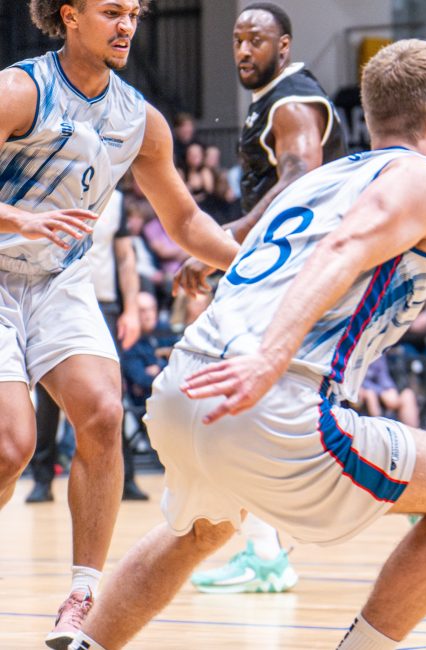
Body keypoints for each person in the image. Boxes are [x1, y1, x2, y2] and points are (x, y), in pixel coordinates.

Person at [66, 39, 426, 650]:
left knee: (200, 529)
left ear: (370, 115)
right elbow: (344, 248)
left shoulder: (323, 179)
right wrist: (271, 357)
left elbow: (307, 245)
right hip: (271, 395)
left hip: (184, 386)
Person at [0, 1, 243, 646]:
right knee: (10, 446)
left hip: (59, 281)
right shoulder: (19, 90)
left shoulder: (139, 118)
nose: (127, 24)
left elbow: (187, 223)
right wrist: (19, 219)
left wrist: (254, 266)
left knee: (104, 414)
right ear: (69, 15)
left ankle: (81, 598)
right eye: (112, 11)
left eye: (133, 12)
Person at [180, 1, 348, 596]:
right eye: (236, 39)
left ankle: (277, 543)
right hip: (285, 275)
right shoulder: (271, 101)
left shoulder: (292, 100)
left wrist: (224, 243)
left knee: (248, 410)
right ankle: (267, 548)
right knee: (249, 413)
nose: (243, 50)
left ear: (284, 46)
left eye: (257, 40)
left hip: (294, 279)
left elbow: (298, 181)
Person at [26, 188, 147, 504]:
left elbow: (125, 257)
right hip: (55, 299)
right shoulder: (51, 184)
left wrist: (132, 309)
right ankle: (42, 479)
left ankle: (126, 477)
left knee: (110, 394)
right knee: (49, 397)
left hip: (103, 301)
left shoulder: (116, 198)